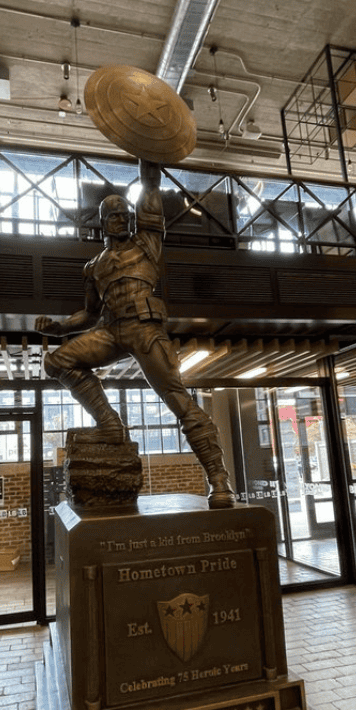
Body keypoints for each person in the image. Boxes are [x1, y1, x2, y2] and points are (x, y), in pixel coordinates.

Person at [36, 159, 235, 508]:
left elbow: (151, 188)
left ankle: (219, 482)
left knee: (178, 399)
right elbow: (90, 313)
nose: (122, 218)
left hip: (144, 329)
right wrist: (59, 327)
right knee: (58, 361)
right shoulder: (93, 267)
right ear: (102, 222)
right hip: (111, 330)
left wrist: (147, 154)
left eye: (125, 214)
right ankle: (110, 424)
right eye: (114, 215)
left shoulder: (146, 243)